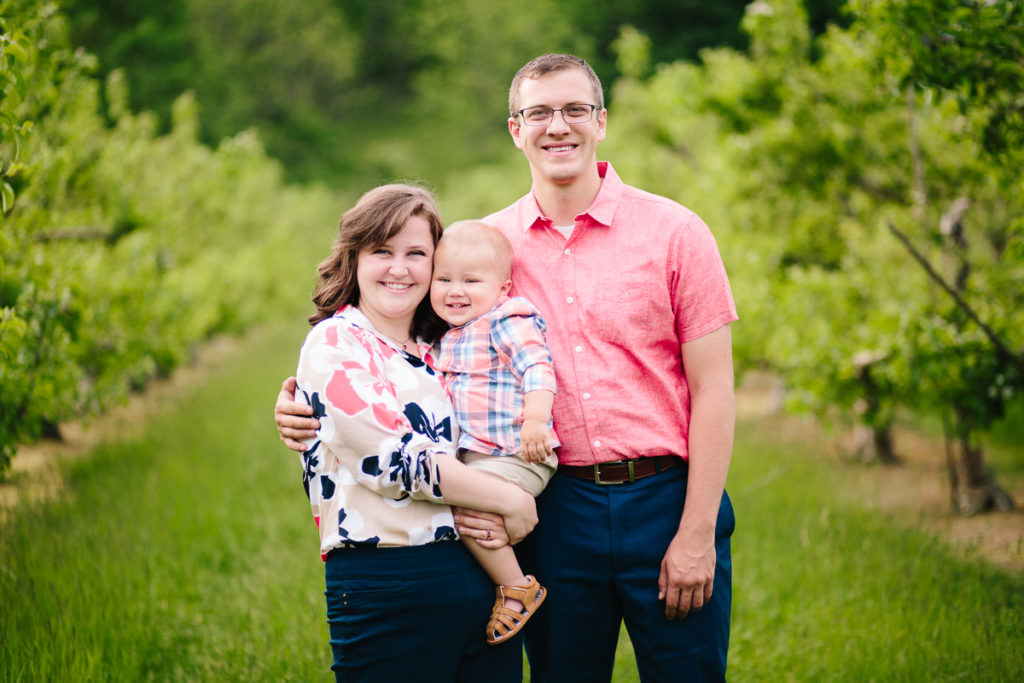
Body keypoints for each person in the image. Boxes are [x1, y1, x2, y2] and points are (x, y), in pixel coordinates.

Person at [277, 54, 738, 682]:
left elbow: (714, 390)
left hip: (665, 497)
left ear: (601, 121)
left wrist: (697, 531)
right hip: (554, 504)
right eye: (539, 112)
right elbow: (407, 345)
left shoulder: (676, 232)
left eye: (575, 109)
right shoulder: (483, 248)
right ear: (516, 129)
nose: (558, 126)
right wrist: (307, 406)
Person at [291, 183, 534, 682]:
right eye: (382, 251)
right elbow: (398, 461)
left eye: (416, 254)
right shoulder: (335, 343)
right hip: (387, 580)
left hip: (479, 576)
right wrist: (512, 501)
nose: (399, 268)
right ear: (354, 258)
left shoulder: (445, 343)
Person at [430, 220, 559, 645]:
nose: (455, 291)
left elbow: (537, 368)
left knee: (471, 509)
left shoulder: (506, 321)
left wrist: (535, 420)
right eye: (444, 279)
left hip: (518, 452)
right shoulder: (451, 333)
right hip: (482, 456)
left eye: (471, 281)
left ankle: (517, 587)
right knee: (463, 502)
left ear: (502, 289)